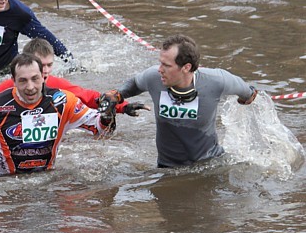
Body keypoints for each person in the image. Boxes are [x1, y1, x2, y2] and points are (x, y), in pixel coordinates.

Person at [104, 34, 258, 168]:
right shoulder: (153, 77)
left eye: (166, 65)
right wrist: (116, 96)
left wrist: (247, 98)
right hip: (166, 167)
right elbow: (133, 85)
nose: (159, 69)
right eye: (160, 63)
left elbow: (248, 94)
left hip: (209, 165)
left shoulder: (217, 81)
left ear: (186, 67)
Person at [0, 53, 116, 177]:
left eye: (35, 79)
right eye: (23, 80)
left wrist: (108, 114)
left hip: (46, 178)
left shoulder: (63, 102)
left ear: (43, 77)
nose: (30, 87)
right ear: (14, 81)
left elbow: (100, 130)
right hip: (4, 180)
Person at [0, 38, 149, 124]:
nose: (45, 71)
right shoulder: (11, 85)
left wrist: (123, 107)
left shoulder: (56, 84)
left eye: (49, 65)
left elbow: (90, 97)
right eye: (41, 66)